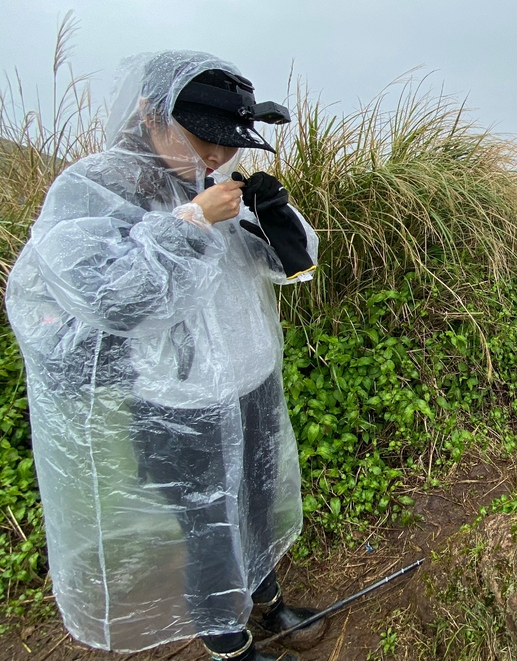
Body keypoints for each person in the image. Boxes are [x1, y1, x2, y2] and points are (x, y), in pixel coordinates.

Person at [5, 51, 324, 661]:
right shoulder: (95, 188)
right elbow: (115, 297)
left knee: (257, 500)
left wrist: (276, 218)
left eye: (227, 145)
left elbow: (289, 266)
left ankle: (268, 602)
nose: (215, 157)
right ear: (150, 115)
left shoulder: (211, 186)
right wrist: (190, 222)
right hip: (179, 402)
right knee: (208, 527)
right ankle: (229, 645)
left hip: (248, 380)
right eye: (202, 140)